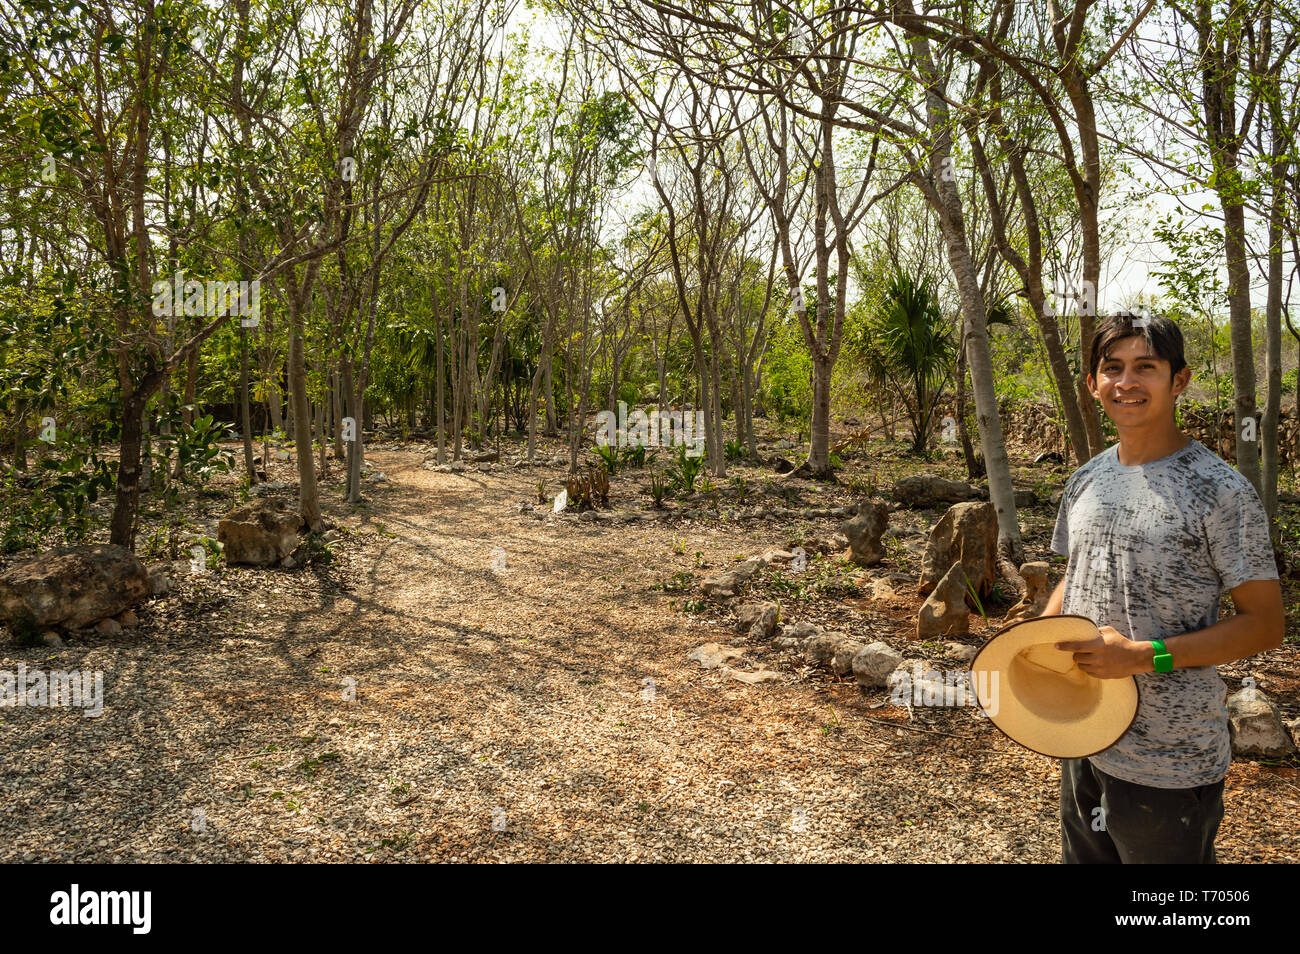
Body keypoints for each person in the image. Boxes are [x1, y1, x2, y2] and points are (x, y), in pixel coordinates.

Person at [1041, 310, 1283, 864]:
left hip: (1167, 760)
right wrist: (1035, 641)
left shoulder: (1220, 490)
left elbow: (1265, 624)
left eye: (1145, 367)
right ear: (1092, 383)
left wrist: (1143, 656)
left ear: (1179, 379)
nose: (1126, 383)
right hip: (1083, 733)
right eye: (1112, 368)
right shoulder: (1088, 477)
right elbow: (1075, 572)